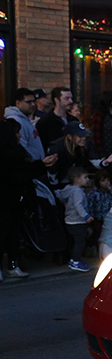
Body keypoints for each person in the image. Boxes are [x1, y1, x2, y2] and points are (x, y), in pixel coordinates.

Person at [0, 120, 57, 280]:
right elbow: (18, 175)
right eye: (16, 133)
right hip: (7, 200)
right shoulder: (7, 155)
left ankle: (13, 264)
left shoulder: (16, 151)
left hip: (16, 200)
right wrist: (40, 166)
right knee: (5, 233)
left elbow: (23, 172)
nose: (19, 135)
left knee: (13, 233)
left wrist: (40, 165)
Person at [56, 166, 94, 272]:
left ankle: (72, 259)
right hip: (78, 220)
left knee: (73, 241)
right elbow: (78, 205)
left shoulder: (68, 190)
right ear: (77, 179)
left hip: (69, 220)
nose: (88, 180)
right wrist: (86, 216)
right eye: (85, 177)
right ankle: (75, 261)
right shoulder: (78, 191)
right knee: (80, 242)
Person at [46, 121, 105, 188]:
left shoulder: (86, 144)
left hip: (76, 180)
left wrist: (106, 162)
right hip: (59, 181)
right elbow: (52, 171)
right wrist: (55, 188)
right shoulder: (56, 148)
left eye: (84, 136)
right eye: (80, 136)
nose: (83, 138)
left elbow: (94, 159)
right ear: (69, 136)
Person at [4, 88, 45, 161]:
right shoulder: (16, 121)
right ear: (18, 103)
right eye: (28, 102)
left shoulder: (24, 119)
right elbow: (21, 147)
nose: (33, 104)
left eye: (33, 101)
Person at [86, 169, 112, 250]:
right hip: (98, 218)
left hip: (111, 217)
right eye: (103, 181)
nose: (106, 183)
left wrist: (111, 189)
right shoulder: (94, 193)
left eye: (108, 180)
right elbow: (90, 206)